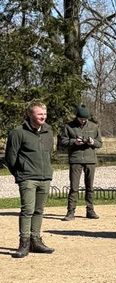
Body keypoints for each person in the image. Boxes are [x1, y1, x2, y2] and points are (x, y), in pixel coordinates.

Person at [5, 101, 55, 258]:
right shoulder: (17, 132)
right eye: (39, 114)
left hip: (45, 177)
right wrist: (20, 175)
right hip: (27, 178)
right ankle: (24, 243)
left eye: (45, 114)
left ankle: (36, 241)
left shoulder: (48, 131)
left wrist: (47, 171)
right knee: (27, 210)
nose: (43, 116)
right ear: (30, 114)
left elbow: (48, 154)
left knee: (39, 210)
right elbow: (10, 158)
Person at [60, 104, 103, 221]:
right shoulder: (69, 127)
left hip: (90, 160)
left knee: (90, 187)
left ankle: (90, 210)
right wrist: (74, 142)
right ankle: (70, 212)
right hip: (75, 160)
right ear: (77, 117)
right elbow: (62, 141)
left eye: (85, 119)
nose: (83, 121)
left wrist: (92, 142)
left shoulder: (94, 127)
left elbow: (100, 143)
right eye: (81, 119)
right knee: (74, 187)